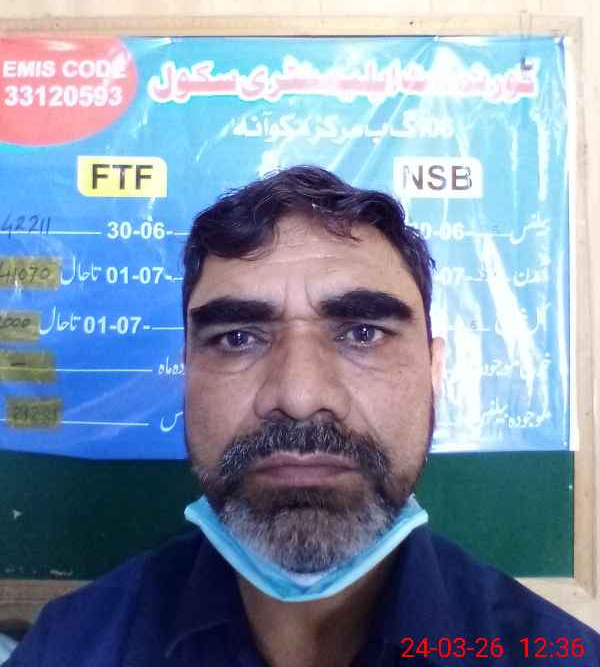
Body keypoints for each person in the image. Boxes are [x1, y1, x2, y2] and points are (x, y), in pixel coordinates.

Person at [7, 166, 600, 666]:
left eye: (363, 332)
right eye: (238, 337)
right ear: (187, 370)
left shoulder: (560, 655)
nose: (298, 395)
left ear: (433, 370)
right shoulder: (70, 648)